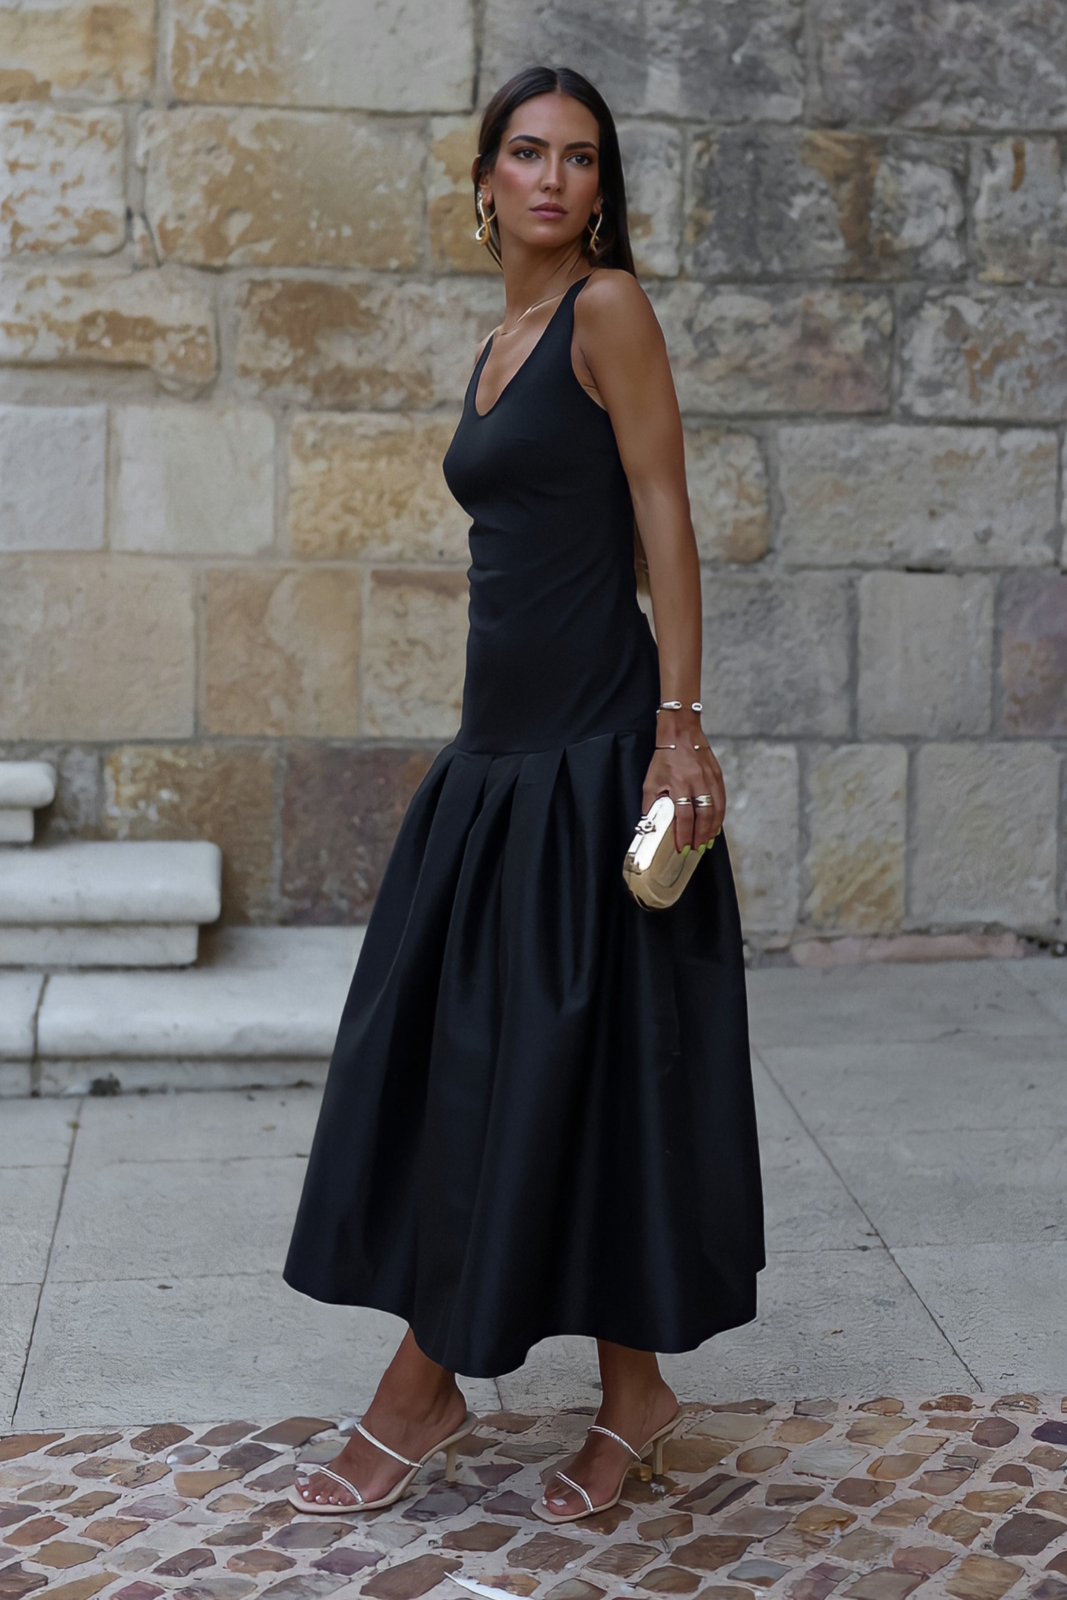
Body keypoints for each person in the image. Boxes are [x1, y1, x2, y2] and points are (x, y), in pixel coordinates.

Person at [283, 63, 764, 1525]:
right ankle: (633, 1398)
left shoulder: (605, 312)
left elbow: (664, 512)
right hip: (494, 759)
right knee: (561, 1066)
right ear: (483, 177)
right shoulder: (498, 338)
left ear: (599, 191)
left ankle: (420, 1388)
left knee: (523, 1061)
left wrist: (678, 729)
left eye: (579, 159)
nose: (552, 178)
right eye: (526, 153)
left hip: (595, 752)